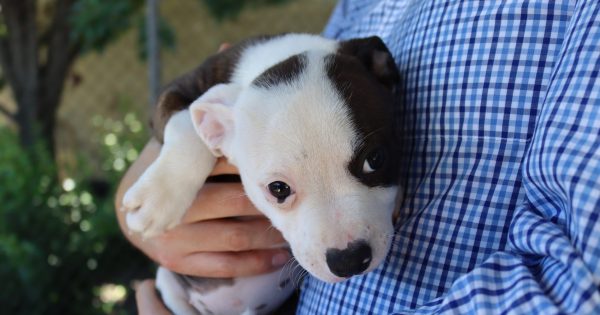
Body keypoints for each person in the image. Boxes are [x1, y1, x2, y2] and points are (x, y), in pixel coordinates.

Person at [116, 0, 600, 313]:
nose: (344, 241)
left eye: (371, 162)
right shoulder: (334, 28)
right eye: (282, 191)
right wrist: (166, 172)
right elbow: (178, 109)